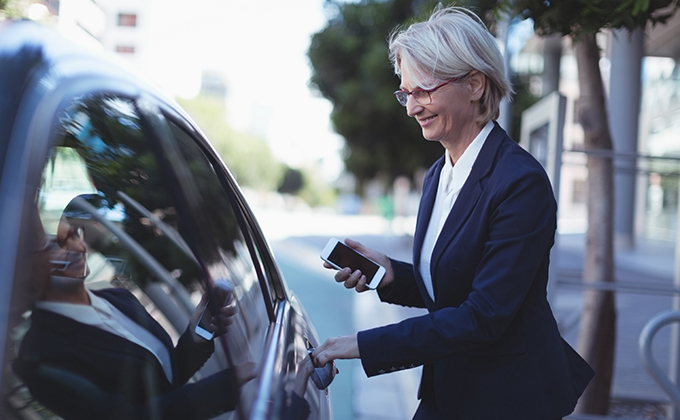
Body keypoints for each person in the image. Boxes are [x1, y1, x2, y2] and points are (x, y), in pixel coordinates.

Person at [311, 6, 594, 420]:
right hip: (450, 385)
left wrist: (361, 344)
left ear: (475, 84)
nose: (411, 108)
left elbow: (482, 316)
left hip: (507, 397)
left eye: (423, 91)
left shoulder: (520, 183)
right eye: (405, 93)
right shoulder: (437, 175)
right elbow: (453, 289)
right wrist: (391, 273)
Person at [13, 201, 255, 420]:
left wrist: (199, 331)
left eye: (69, 235)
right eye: (52, 246)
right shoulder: (40, 355)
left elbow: (164, 381)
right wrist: (225, 387)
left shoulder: (116, 296)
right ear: (20, 269)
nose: (74, 247)